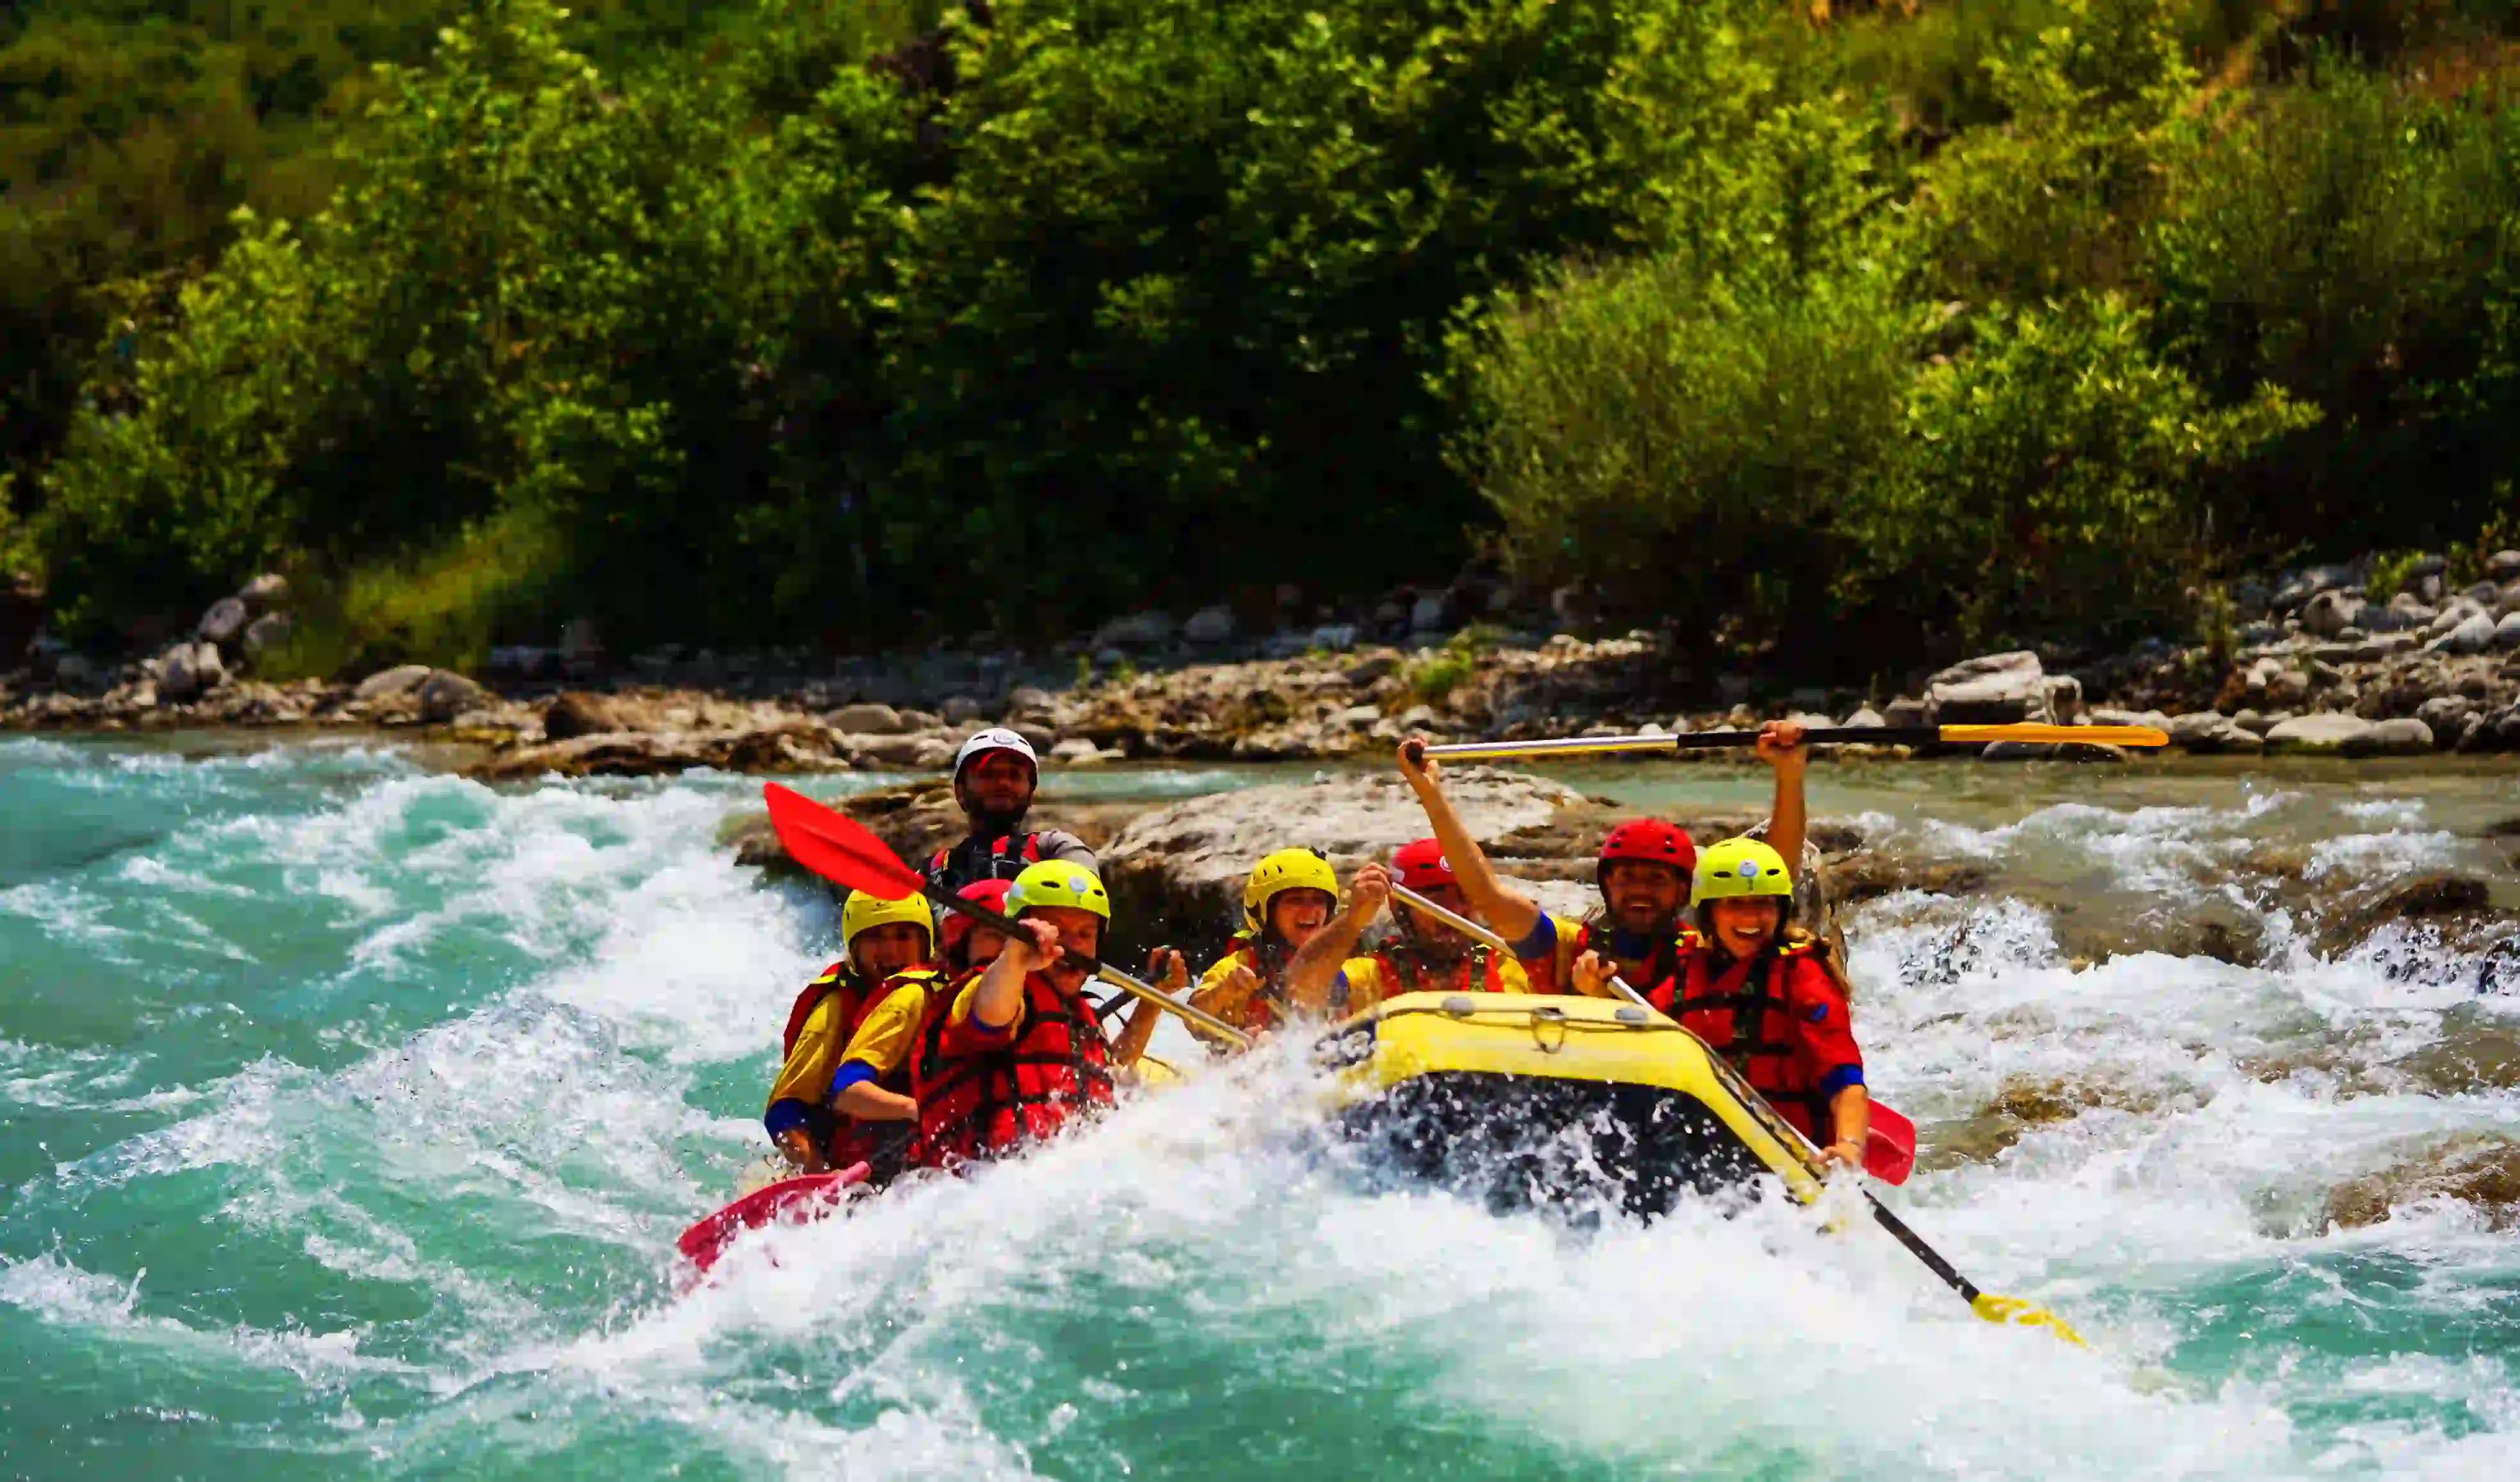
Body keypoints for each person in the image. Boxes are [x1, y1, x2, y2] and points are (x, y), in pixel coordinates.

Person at [1394, 721, 1809, 999]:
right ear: (1606, 884)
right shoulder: (1559, 945)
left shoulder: (1704, 950)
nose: (1640, 891)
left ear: (1685, 890)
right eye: (1627, 877)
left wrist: (1788, 774)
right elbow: (1485, 894)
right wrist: (1431, 794)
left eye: (1656, 879)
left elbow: (1771, 875)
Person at [1577, 837, 1868, 1167]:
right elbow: (1639, 1045)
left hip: (1789, 1153)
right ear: (1709, 914)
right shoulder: (1687, 971)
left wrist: (1849, 1145)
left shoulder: (1801, 975)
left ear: (1781, 911)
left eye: (1763, 904)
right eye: (1734, 904)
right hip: (1705, 1155)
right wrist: (1597, 994)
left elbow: (1845, 1082)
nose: (1751, 918)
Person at [907, 860, 1183, 1168]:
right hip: (979, 1181)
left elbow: (1110, 1071)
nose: (1073, 945)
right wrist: (1014, 958)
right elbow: (991, 1017)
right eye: (1058, 931)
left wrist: (1153, 1000)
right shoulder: (992, 986)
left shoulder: (1077, 1011)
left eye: (1085, 933)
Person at [819, 878, 1017, 1178]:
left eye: (1016, 939)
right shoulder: (914, 996)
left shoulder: (1034, 994)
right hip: (891, 1165)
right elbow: (847, 1090)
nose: (1009, 949)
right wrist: (919, 1109)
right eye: (994, 935)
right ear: (961, 942)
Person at [764, 889, 937, 1173]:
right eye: (876, 937)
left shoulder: (940, 990)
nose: (891, 950)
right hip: (839, 1158)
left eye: (904, 936)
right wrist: (818, 1172)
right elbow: (784, 1114)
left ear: (925, 943)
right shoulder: (835, 1009)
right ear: (854, 948)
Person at [1281, 843, 1532, 1016]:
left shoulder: (1507, 963)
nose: (1455, 910)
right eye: (1437, 900)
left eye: (1463, 897)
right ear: (1402, 910)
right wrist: (1353, 920)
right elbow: (1300, 988)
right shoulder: (1376, 974)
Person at [1185, 848, 1342, 1047]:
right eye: (1296, 900)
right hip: (1247, 1064)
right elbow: (1192, 1020)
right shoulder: (1241, 965)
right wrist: (1225, 990)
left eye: (1319, 901)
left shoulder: (1338, 966)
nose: (1310, 910)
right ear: (1266, 912)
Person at [924, 729, 1099, 895]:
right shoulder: (936, 870)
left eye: (1014, 776)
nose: (1003, 784)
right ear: (960, 791)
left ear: (1031, 794)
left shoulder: (1057, 850)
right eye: (988, 774)